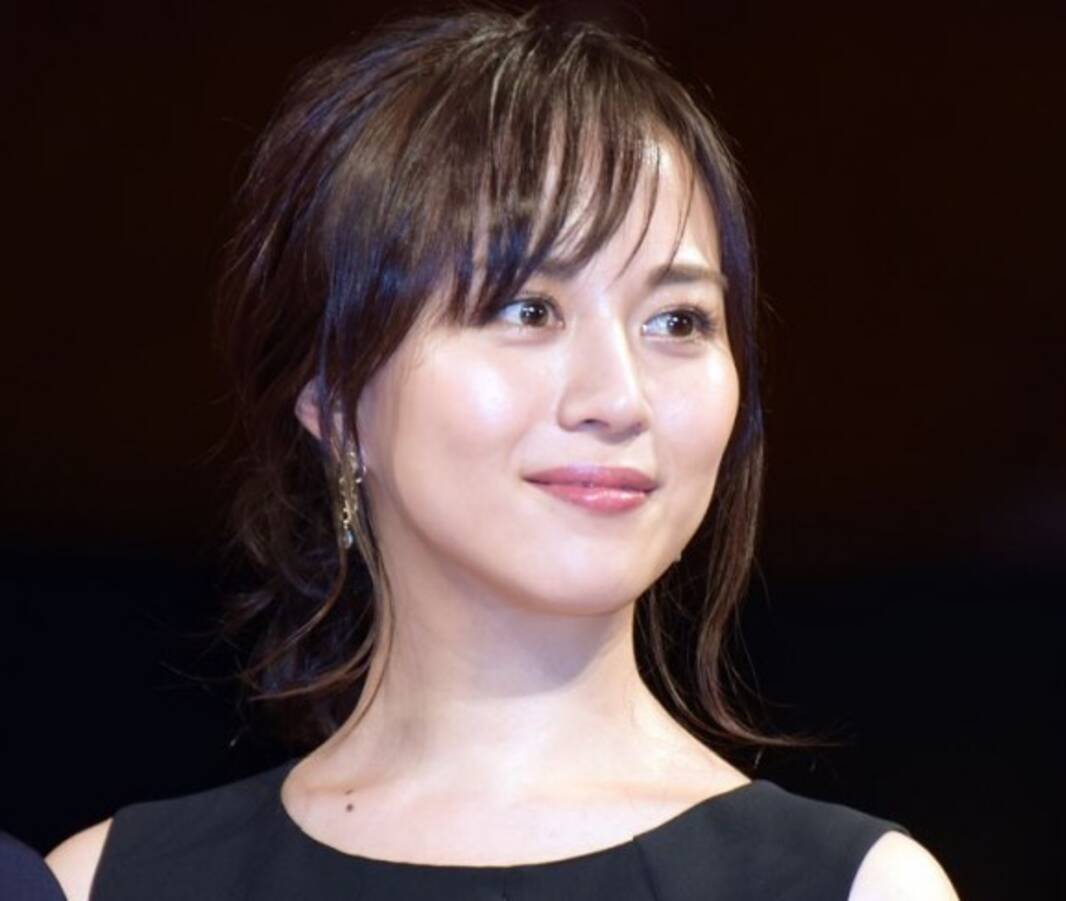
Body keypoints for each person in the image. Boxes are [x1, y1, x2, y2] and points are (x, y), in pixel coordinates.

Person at [46, 9, 957, 899]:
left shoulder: (859, 886)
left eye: (678, 320)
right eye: (527, 309)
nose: (618, 399)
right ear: (336, 400)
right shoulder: (106, 882)